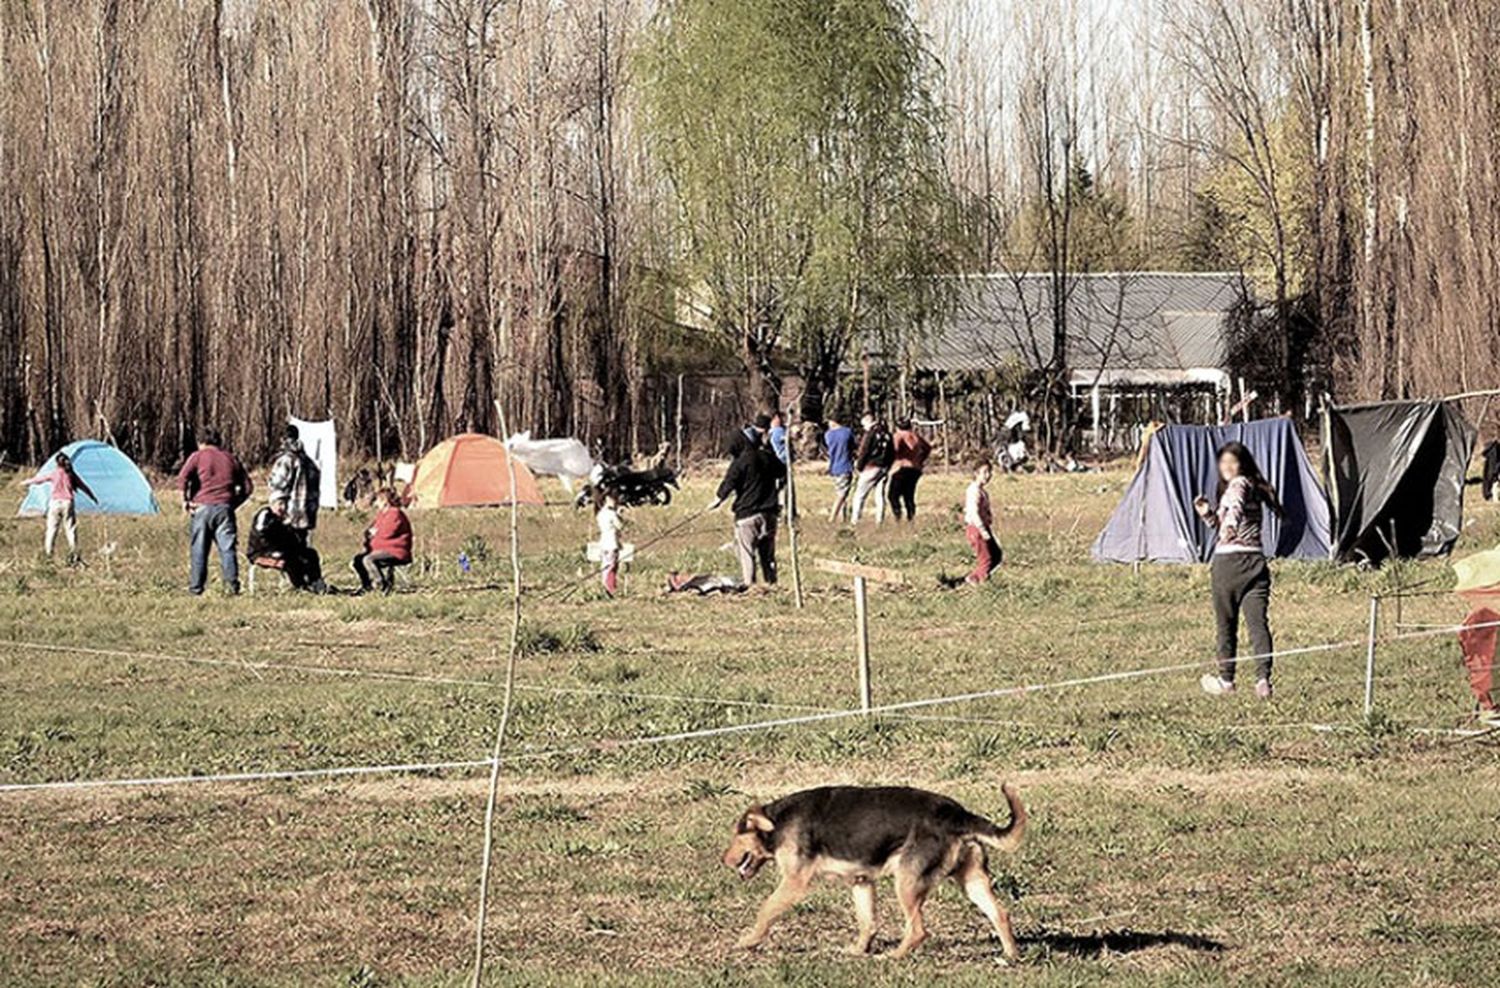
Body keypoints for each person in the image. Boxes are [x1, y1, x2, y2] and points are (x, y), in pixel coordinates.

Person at [1194, 441, 1282, 699]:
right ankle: (1263, 681)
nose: (1227, 467)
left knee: (1226, 624)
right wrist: (1209, 515)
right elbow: (1226, 521)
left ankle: (1227, 681)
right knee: (1258, 625)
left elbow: (1234, 509)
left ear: (1242, 464)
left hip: (1229, 565)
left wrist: (1229, 525)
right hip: (1256, 563)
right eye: (1223, 462)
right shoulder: (1256, 487)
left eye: (1232, 461)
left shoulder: (1238, 485)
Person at [178, 429, 253, 595]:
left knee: (199, 550)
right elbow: (248, 487)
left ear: (201, 442)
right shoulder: (230, 458)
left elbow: (182, 477)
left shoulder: (197, 456)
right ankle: (231, 587)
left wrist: (185, 501)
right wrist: (233, 503)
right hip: (225, 508)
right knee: (227, 550)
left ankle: (196, 588)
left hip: (201, 507)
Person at [709, 436, 787, 587]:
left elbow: (727, 485)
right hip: (769, 514)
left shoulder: (739, 463)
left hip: (747, 515)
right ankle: (772, 583)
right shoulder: (767, 457)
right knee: (768, 555)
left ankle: (750, 586)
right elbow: (783, 471)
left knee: (747, 553)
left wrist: (717, 501)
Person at [16, 451, 97, 561]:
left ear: (57, 463)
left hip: (55, 503)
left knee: (52, 529)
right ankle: (74, 553)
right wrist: (92, 496)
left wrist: (25, 482)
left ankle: (49, 554)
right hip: (68, 502)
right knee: (70, 528)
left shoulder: (54, 473)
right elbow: (83, 486)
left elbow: (39, 480)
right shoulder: (70, 474)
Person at [247, 495, 325, 591]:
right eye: (280, 504)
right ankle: (301, 585)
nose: (283, 507)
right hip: (261, 551)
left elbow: (290, 538)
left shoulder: (285, 517)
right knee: (290, 559)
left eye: (285, 504)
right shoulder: (265, 514)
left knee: (310, 554)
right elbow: (261, 532)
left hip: (280, 549)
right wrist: (281, 524)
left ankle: (316, 583)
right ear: (272, 504)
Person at [352, 487, 413, 594]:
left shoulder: (395, 514)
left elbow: (386, 533)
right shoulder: (382, 515)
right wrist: (371, 534)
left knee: (368, 559)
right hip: (382, 548)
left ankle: (381, 585)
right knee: (358, 560)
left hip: (396, 550)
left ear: (385, 501)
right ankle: (367, 586)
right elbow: (371, 531)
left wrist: (373, 534)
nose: (376, 503)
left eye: (378, 500)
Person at [268, 424, 321, 545]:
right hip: (306, 514)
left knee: (288, 551)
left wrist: (270, 480)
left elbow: (278, 483)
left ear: (283, 439)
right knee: (301, 550)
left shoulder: (287, 459)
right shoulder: (309, 462)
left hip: (289, 514)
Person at [849, 413, 894, 524]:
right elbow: (892, 452)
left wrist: (859, 467)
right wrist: (888, 466)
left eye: (863, 425)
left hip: (871, 467)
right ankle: (879, 520)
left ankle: (855, 520)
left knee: (859, 495)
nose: (864, 427)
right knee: (880, 495)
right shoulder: (887, 434)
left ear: (867, 422)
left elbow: (864, 451)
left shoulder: (870, 434)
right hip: (883, 467)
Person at [963, 460, 1002, 584]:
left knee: (996, 555)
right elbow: (973, 512)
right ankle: (979, 582)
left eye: (990, 472)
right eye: (984, 472)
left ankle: (975, 577)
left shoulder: (982, 491)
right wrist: (982, 529)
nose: (988, 475)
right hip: (976, 529)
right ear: (976, 473)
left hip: (983, 527)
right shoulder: (973, 491)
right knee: (986, 559)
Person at [888, 420, 932, 521]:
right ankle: (910, 518)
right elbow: (928, 448)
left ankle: (897, 517)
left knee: (893, 496)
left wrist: (892, 460)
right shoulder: (916, 436)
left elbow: (895, 449)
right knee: (909, 495)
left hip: (901, 468)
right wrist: (920, 459)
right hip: (915, 469)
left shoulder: (898, 436)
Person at [823, 415, 855, 522]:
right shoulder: (847, 432)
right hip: (845, 466)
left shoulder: (828, 435)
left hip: (834, 467)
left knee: (841, 493)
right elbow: (853, 447)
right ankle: (832, 517)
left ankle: (843, 518)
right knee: (842, 494)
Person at [596, 493, 624, 596]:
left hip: (603, 543)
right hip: (612, 543)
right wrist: (619, 514)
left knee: (605, 566)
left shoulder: (600, 514)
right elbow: (620, 526)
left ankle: (605, 586)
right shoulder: (611, 514)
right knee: (612, 567)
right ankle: (610, 588)